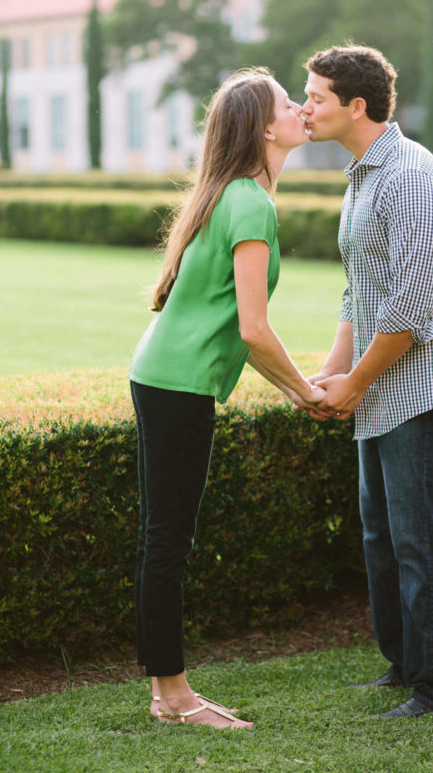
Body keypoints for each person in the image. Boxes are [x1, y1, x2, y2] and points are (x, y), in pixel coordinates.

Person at [128, 67, 326, 729]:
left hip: (162, 374)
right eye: (286, 103)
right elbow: (254, 329)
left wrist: (296, 388)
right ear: (264, 129)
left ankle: (169, 692)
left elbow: (245, 332)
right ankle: (173, 698)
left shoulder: (233, 196)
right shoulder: (250, 203)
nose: (301, 108)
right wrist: (304, 392)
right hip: (176, 383)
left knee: (163, 537)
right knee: (168, 542)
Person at [300, 44, 433, 719]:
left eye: (315, 96)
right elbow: (361, 295)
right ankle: (405, 667)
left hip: (419, 389)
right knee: (382, 536)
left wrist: (353, 385)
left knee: (421, 540)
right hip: (380, 387)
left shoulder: (409, 177)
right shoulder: (362, 175)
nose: (304, 107)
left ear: (357, 106)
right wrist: (333, 372)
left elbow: (409, 312)